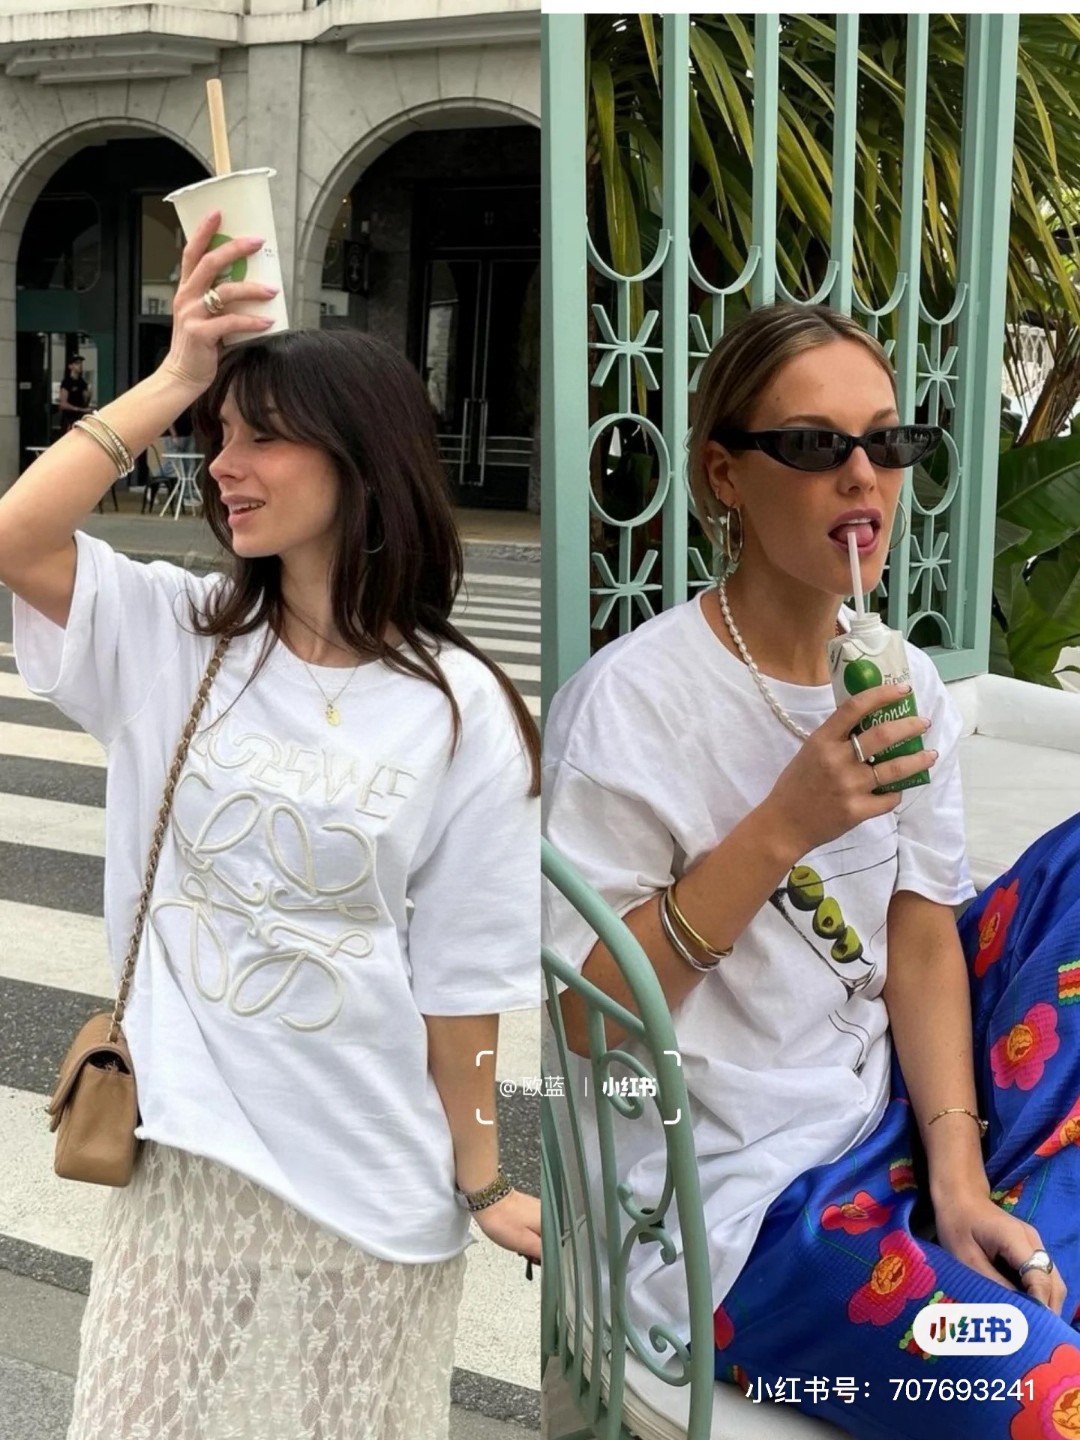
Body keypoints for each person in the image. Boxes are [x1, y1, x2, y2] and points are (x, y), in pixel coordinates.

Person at [0, 208, 541, 1440]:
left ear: (362, 459)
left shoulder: (461, 710)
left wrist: (483, 1179)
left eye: (263, 439)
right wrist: (176, 378)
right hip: (189, 1160)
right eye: (218, 437)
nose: (223, 466)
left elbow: (461, 984)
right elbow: (17, 537)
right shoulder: (176, 636)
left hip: (372, 1181)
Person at [542, 301, 1080, 1439]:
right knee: (1045, 1396)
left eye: (887, 441)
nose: (862, 476)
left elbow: (920, 932)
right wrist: (782, 826)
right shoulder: (631, 708)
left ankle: (980, 1214)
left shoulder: (902, 682)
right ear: (725, 475)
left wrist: (954, 1171)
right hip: (746, 1207)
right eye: (812, 444)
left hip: (899, 1113)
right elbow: (590, 1024)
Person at [58, 355, 92, 433]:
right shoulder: (67, 382)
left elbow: (85, 402)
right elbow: (63, 404)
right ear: (70, 366)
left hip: (81, 420)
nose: (80, 366)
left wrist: (88, 395)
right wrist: (80, 409)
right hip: (69, 420)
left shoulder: (82, 382)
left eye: (81, 363)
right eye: (77, 363)